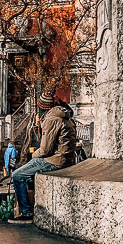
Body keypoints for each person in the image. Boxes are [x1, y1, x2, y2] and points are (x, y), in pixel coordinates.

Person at [10, 91, 77, 222]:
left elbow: (46, 150)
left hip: (55, 160)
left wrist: (33, 154)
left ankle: (25, 212)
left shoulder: (51, 119)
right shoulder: (65, 116)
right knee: (28, 176)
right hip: (66, 158)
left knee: (17, 175)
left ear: (42, 107)